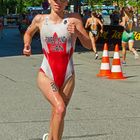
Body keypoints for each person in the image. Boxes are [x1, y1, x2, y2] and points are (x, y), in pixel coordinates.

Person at [23, 0, 92, 140]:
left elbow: (89, 45)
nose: (58, 2)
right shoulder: (40, 19)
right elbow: (28, 33)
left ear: (67, 2)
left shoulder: (74, 19)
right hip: (46, 73)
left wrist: (78, 32)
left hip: (68, 76)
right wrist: (27, 44)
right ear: (49, 1)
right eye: (55, 0)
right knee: (60, 107)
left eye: (62, 0)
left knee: (58, 112)